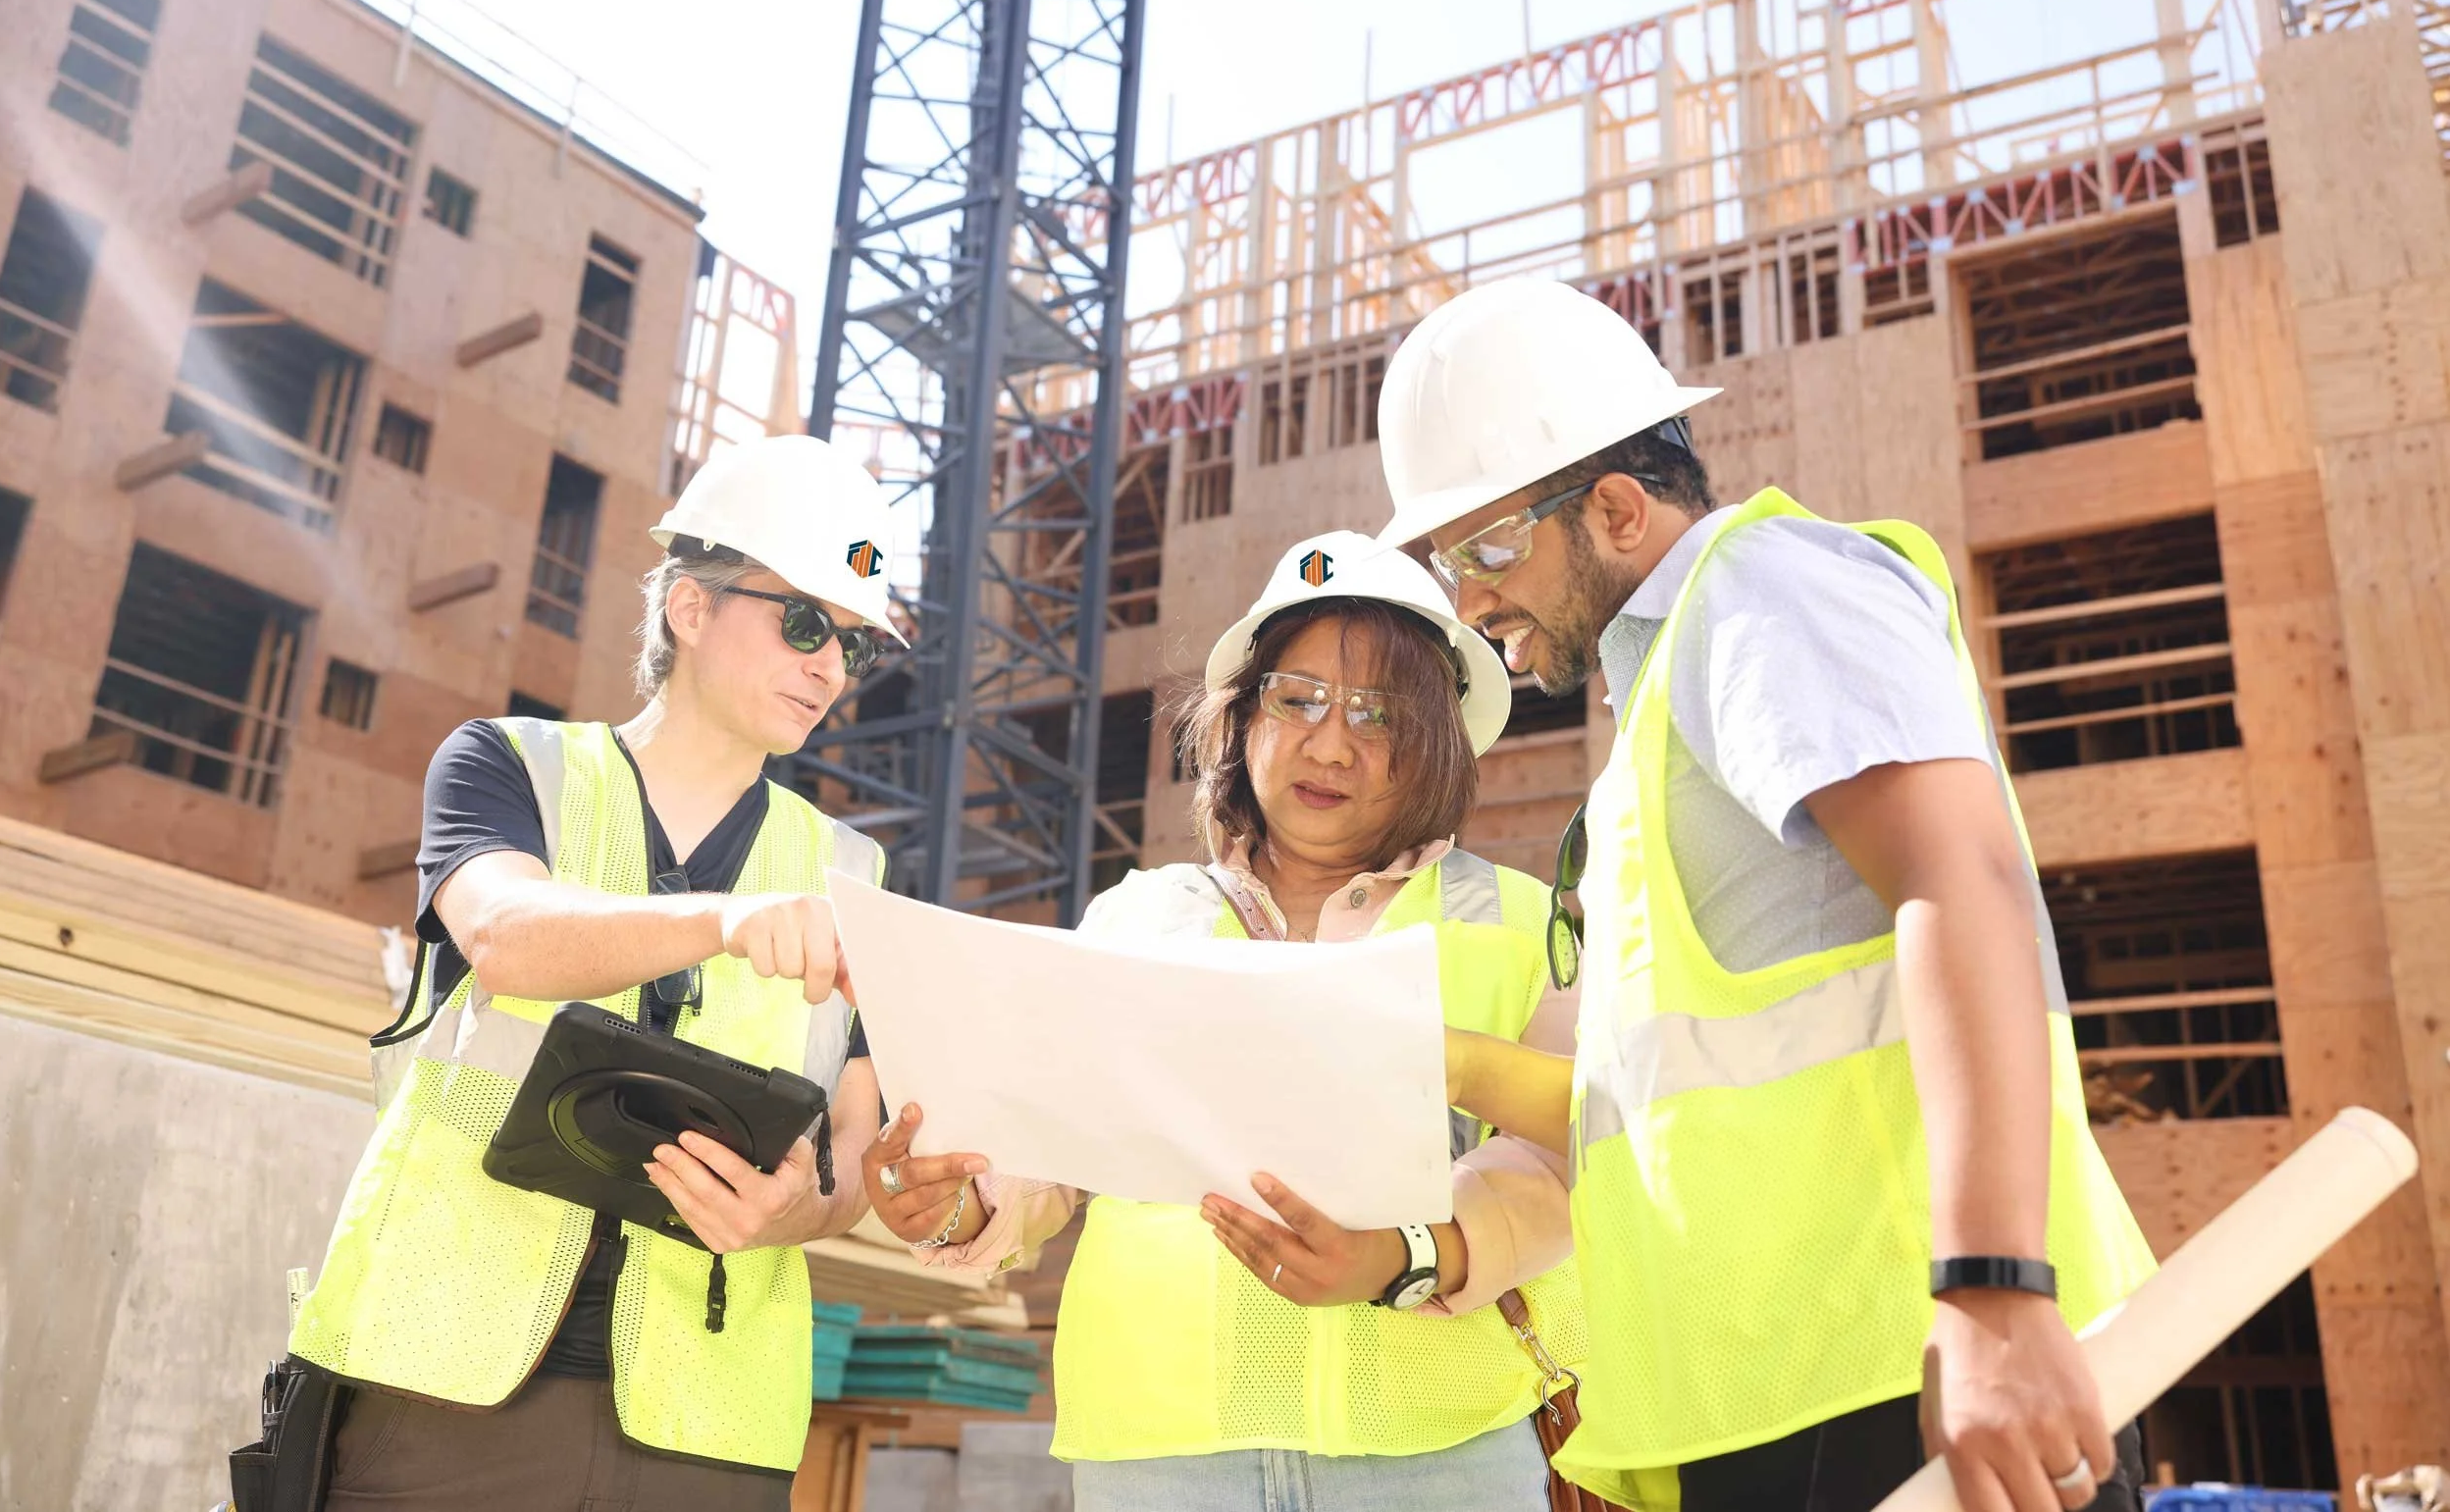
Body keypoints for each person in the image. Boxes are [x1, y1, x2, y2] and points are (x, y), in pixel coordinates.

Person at [1371, 278, 2161, 1512]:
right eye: (1441, 559)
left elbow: (1964, 879)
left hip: (1900, 1380)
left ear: (1618, 508)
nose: (1466, 602)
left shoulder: (1758, 590)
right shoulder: (1665, 704)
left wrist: (1994, 1289)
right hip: (1796, 1397)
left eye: (1480, 549)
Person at [860, 531, 1589, 1512]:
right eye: (1298, 698)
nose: (1331, 742)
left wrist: (1407, 1257)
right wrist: (951, 1202)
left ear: (1436, 742)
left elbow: (1568, 1164)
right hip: (1162, 1455)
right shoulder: (1138, 917)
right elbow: (1044, 1157)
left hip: (1436, 1446)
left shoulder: (1514, 922)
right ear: (1242, 717)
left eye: (1379, 713)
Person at [283, 434, 890, 1512]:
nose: (831, 666)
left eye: (856, 646)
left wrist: (793, 1209)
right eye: (806, 622)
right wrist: (721, 916)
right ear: (690, 609)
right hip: (444, 1386)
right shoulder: (508, 764)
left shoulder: (849, 873)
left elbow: (854, 1145)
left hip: (706, 1424)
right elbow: (505, 933)